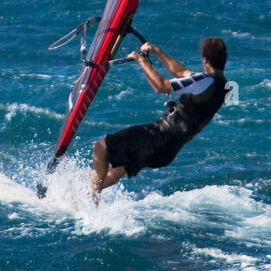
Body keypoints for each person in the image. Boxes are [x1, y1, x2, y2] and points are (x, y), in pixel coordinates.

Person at [90, 37, 229, 201]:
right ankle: (88, 197)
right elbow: (180, 73)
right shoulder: (223, 87)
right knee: (117, 170)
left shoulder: (202, 82)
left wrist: (141, 60)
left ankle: (91, 202)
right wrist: (157, 51)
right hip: (169, 150)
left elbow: (161, 86)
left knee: (101, 147)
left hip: (157, 136)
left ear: (205, 59)